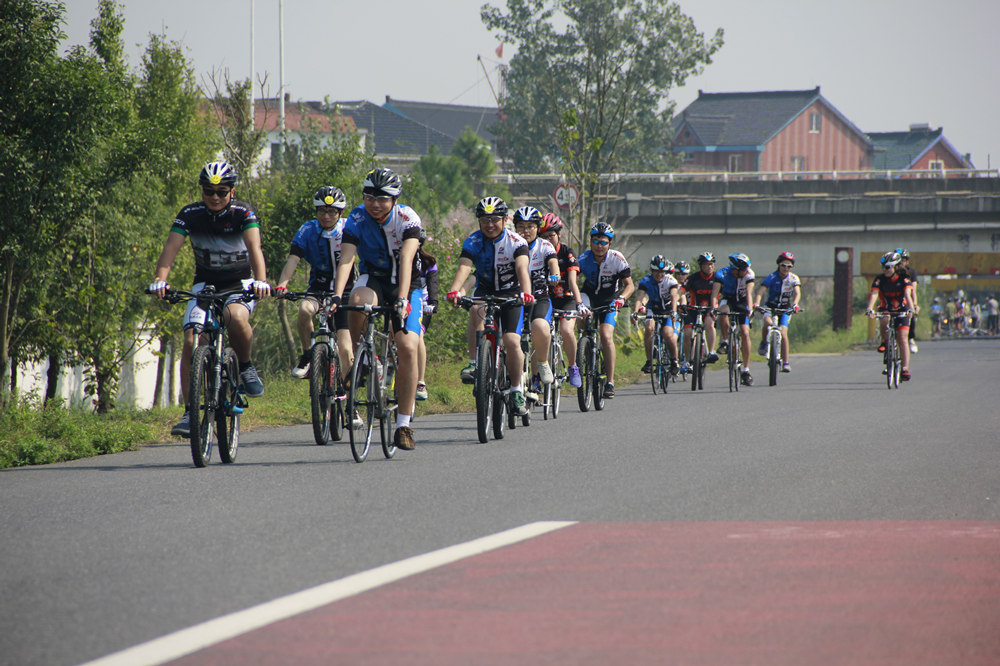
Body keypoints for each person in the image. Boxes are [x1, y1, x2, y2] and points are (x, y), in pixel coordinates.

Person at [149, 161, 271, 437]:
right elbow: (170, 249)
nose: (215, 197)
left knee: (236, 317)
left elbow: (255, 248)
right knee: (191, 340)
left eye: (222, 192)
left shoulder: (243, 212)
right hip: (205, 285)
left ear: (232, 191)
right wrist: (160, 279)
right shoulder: (190, 214)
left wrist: (261, 281)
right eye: (209, 191)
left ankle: (245, 366)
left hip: (239, 284)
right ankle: (190, 412)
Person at [331, 168, 423, 451]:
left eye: (382, 198)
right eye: (369, 197)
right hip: (374, 278)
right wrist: (336, 295)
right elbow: (347, 259)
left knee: (407, 347)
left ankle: (404, 425)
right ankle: (365, 357)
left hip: (405, 283)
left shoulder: (407, 218)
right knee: (357, 301)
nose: (375, 204)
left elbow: (406, 257)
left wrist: (403, 298)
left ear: (395, 199)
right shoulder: (357, 218)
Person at [445, 196, 534, 416]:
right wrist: (455, 290)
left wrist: (526, 293)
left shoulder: (516, 242)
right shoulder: (473, 241)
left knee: (512, 341)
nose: (490, 224)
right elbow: (465, 267)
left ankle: (516, 390)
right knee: (475, 309)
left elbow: (522, 268)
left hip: (511, 293)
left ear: (505, 220)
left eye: (494, 219)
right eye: (485, 220)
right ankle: (475, 362)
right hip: (485, 290)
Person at [275, 186, 354, 381]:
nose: (326, 216)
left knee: (345, 349)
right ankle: (308, 356)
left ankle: (347, 394)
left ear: (341, 212)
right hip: (318, 287)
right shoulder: (307, 230)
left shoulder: (348, 228)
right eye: (321, 211)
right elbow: (293, 259)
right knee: (304, 310)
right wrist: (282, 285)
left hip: (346, 291)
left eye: (332, 212)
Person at [577, 222, 634, 398]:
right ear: (590, 242)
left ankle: (610, 381)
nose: (599, 246)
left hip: (610, 299)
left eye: (603, 242)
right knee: (583, 318)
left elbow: (630, 285)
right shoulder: (583, 259)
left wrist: (621, 299)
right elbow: (573, 279)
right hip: (589, 296)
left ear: (609, 244)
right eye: (595, 241)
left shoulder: (617, 259)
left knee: (606, 335)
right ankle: (584, 349)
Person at [511, 206, 561, 395]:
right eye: (521, 226)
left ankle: (542, 363)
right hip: (515, 298)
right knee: (510, 338)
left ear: (537, 228)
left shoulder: (544, 245)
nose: (525, 231)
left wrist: (555, 275)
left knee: (540, 326)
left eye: (530, 226)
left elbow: (553, 262)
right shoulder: (510, 244)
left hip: (539, 298)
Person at [538, 213, 585, 387]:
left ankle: (573, 367)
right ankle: (536, 377)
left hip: (567, 300)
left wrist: (579, 303)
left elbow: (572, 281)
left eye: (551, 235)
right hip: (546, 299)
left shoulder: (567, 252)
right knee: (539, 334)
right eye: (543, 236)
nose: (548, 240)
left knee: (566, 330)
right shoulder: (538, 252)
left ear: (559, 234)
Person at [865, 250, 914, 381]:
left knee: (902, 338)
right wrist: (869, 308)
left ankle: (904, 368)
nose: (885, 270)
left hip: (902, 309)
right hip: (886, 308)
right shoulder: (879, 279)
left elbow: (908, 295)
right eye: (883, 267)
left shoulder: (904, 279)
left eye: (888, 267)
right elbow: (874, 294)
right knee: (884, 319)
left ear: (896, 267)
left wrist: (911, 309)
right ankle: (886, 342)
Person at [753, 251, 802, 373]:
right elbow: (760, 292)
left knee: (784, 334)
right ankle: (764, 342)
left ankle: (786, 362)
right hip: (770, 307)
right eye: (783, 265)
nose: (786, 268)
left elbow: (797, 293)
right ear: (778, 265)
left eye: (789, 266)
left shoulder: (793, 278)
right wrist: (757, 303)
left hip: (785, 309)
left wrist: (795, 304)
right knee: (768, 323)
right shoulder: (772, 277)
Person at [712, 252, 756, 386]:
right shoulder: (722, 274)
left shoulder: (749, 274)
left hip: (742, 302)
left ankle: (746, 370)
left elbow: (749, 293)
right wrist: (713, 308)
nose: (746, 271)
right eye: (743, 269)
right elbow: (714, 294)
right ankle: (725, 341)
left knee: (745, 333)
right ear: (735, 269)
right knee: (723, 312)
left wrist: (750, 310)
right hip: (728, 300)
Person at [632, 255, 680, 375]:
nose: (659, 275)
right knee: (649, 329)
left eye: (662, 272)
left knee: (667, 334)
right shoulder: (646, 280)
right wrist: (635, 311)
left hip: (668, 310)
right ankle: (649, 361)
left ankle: (674, 361)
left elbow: (674, 296)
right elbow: (640, 296)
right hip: (653, 309)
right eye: (656, 272)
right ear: (651, 270)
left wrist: (674, 311)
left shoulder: (670, 280)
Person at [682, 252, 720, 365]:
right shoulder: (693, 278)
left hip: (709, 309)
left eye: (711, 264)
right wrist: (678, 303)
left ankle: (711, 351)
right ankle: (687, 361)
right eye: (706, 264)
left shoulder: (718, 278)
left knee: (709, 323)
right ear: (701, 266)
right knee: (688, 333)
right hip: (693, 309)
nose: (709, 267)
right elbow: (680, 291)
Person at [415, 227, 439, 401]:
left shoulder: (428, 262)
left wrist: (433, 304)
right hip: (402, 304)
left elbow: (433, 286)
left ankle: (420, 381)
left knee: (418, 336)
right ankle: (391, 365)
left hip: (423, 306)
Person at [895, 248, 919, 353]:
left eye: (903, 260)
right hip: (892, 300)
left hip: (905, 300)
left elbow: (913, 291)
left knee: (911, 317)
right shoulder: (890, 271)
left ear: (907, 261)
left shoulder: (911, 273)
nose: (900, 262)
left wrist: (915, 305)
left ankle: (911, 339)